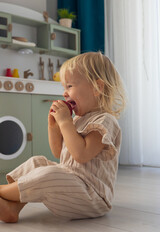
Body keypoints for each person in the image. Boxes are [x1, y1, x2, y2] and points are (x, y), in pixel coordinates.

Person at [0, 52, 126, 223]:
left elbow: (81, 155)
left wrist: (65, 122)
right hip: (71, 183)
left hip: (92, 196)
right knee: (38, 162)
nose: (65, 93)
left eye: (69, 86)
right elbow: (59, 153)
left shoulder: (105, 121)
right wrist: (53, 126)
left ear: (97, 88)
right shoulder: (77, 119)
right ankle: (12, 207)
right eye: (64, 88)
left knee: (50, 174)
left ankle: (2, 191)